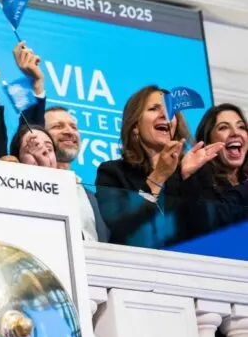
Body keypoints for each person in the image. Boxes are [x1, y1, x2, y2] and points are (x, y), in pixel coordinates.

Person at [95, 85, 222, 248]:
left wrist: (186, 178)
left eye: (170, 111)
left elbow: (207, 233)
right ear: (135, 126)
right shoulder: (113, 173)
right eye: (154, 109)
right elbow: (120, 227)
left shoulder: (192, 173)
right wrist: (158, 177)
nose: (165, 115)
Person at [42, 106, 110, 242]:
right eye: (58, 126)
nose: (69, 131)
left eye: (74, 127)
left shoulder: (95, 199)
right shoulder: (31, 190)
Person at [180, 103, 248, 236]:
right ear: (208, 141)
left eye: (241, 127)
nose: (235, 133)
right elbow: (210, 223)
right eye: (223, 128)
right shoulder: (197, 180)